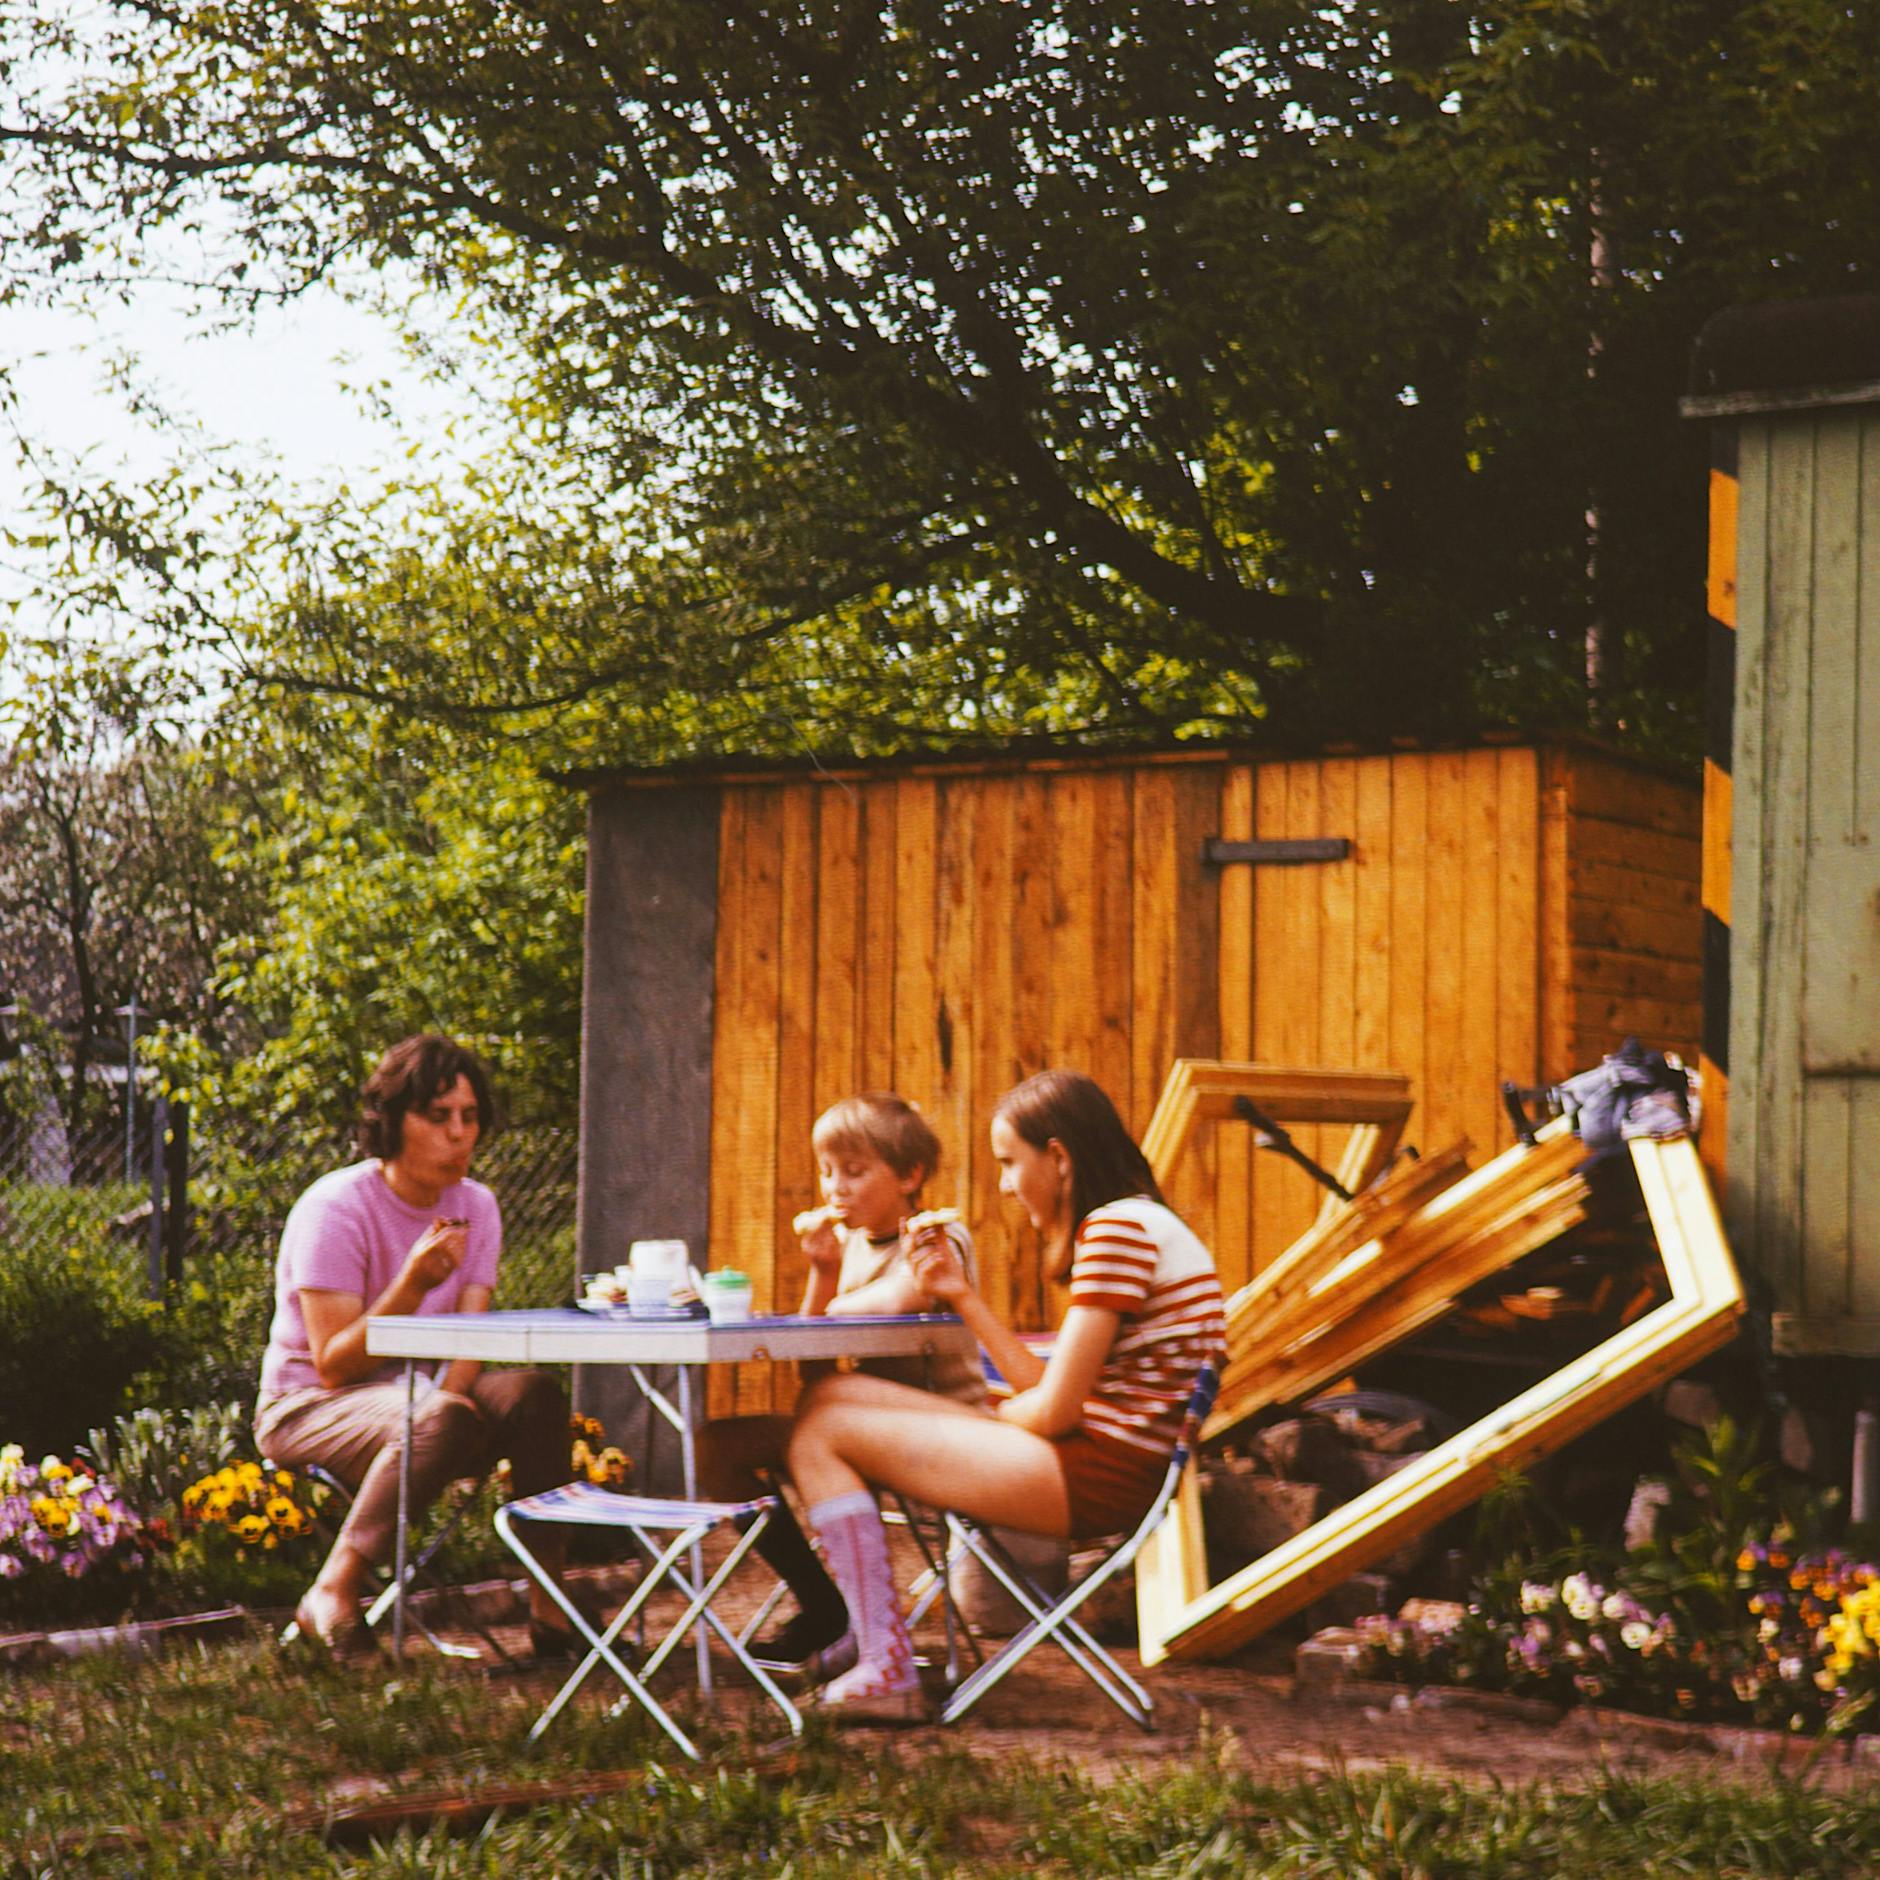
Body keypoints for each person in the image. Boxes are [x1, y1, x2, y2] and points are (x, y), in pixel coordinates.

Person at [786, 1069, 1226, 1720]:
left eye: (1008, 1162)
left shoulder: (1118, 1232)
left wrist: (1000, 1415)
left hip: (1094, 1474)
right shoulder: (1135, 1223)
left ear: (1058, 1157)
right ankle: (871, 1636)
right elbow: (1046, 1391)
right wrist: (962, 1295)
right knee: (834, 1396)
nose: (1003, 1183)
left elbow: (1051, 1409)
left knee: (823, 1431)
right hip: (1092, 1457)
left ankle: (885, 1665)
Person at [253, 1034, 575, 1656]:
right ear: (393, 1122)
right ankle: (333, 1591)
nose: (460, 1134)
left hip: (422, 1402)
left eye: (470, 1115)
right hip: (309, 1407)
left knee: (534, 1395)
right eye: (438, 1116)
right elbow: (334, 1363)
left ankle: (551, 1611)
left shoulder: (476, 1206)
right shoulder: (335, 1208)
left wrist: (453, 1419)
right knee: (443, 1414)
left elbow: (469, 1341)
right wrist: (412, 1284)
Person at [695, 1092, 984, 1687]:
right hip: (860, 1431)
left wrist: (826, 1306)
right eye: (828, 1172)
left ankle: (874, 1640)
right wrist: (822, 1273)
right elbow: (816, 1372)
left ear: (910, 1176)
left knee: (813, 1425)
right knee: (716, 1448)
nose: (836, 1188)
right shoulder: (850, 1247)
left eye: (855, 1172)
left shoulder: (936, 1236)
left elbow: (901, 1300)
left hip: (946, 1432)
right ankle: (826, 1606)